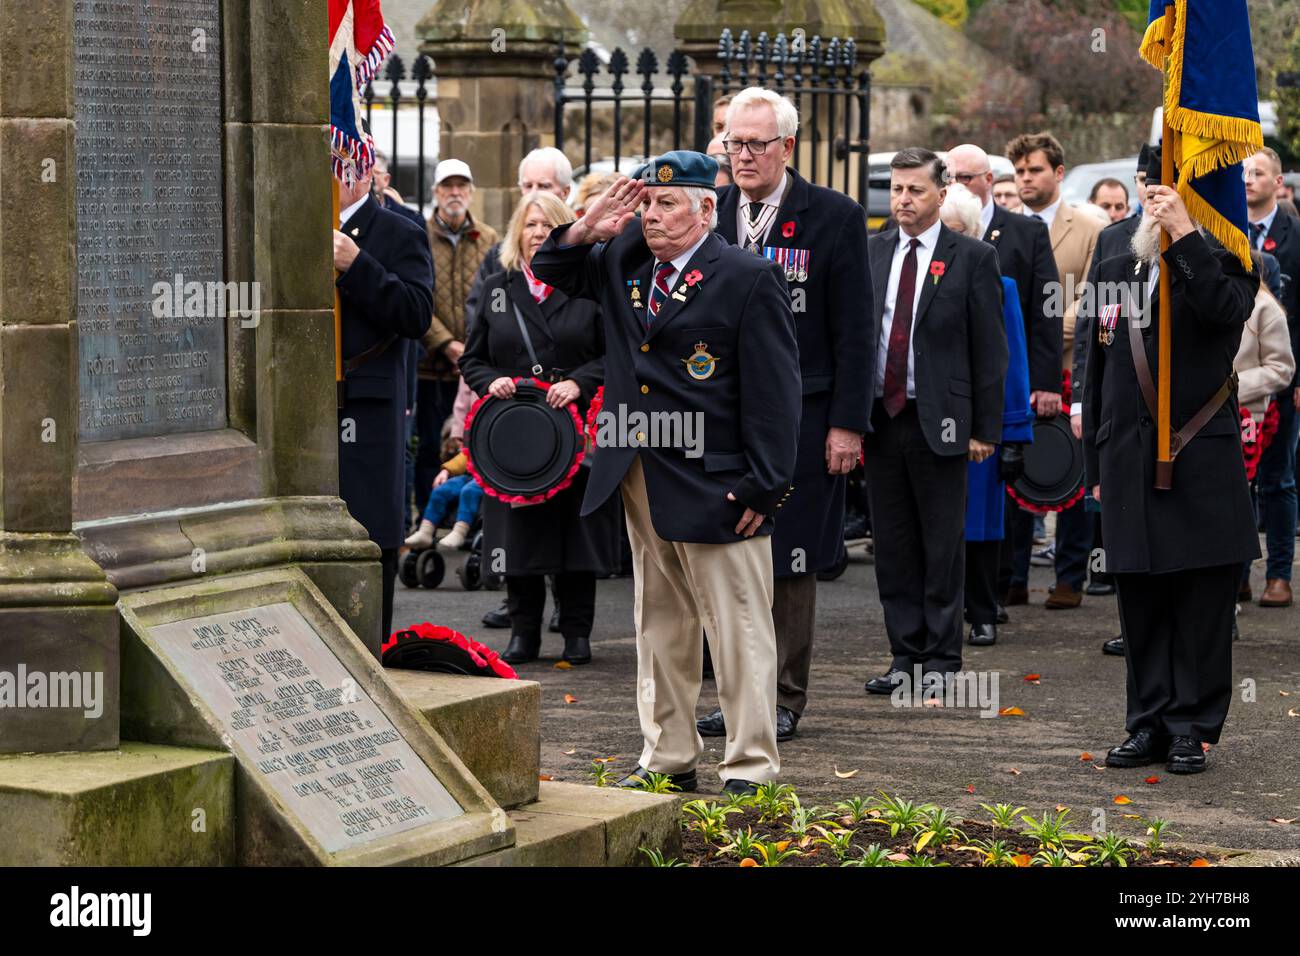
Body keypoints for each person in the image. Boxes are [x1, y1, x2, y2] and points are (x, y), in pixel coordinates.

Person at [531, 151, 801, 795]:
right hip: (640, 470)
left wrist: (765, 483)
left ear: (708, 208)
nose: (651, 215)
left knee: (737, 629)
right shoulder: (624, 260)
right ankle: (668, 756)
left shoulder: (745, 275)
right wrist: (587, 226)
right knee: (659, 626)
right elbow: (549, 268)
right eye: (646, 203)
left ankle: (749, 764)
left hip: (718, 480)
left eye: (667, 202)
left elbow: (775, 391)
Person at [694, 87, 872, 741]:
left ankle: (784, 696)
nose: (742, 155)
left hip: (805, 413)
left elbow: (856, 330)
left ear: (787, 148)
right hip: (725, 416)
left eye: (756, 144)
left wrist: (848, 423)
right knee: (725, 552)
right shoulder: (710, 213)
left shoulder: (832, 216)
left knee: (790, 557)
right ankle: (737, 693)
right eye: (733, 143)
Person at [1082, 170, 1259, 775]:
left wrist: (1185, 235)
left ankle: (1193, 727)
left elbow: (1219, 314)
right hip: (1127, 460)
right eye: (1154, 190)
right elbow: (1096, 369)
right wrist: (1095, 463)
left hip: (1199, 458)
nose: (1159, 202)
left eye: (1174, 194)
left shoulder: (1231, 265)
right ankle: (1148, 723)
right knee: (1141, 600)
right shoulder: (1114, 266)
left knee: (1202, 602)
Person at [863, 148, 1006, 694]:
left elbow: (989, 350)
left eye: (915, 190)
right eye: (897, 189)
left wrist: (983, 429)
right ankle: (905, 654)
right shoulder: (872, 250)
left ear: (941, 195)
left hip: (941, 418)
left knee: (941, 542)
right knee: (894, 544)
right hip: (882, 417)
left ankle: (943, 658)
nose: (903, 200)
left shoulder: (970, 257)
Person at [459, 191, 618, 666]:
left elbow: (615, 356)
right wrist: (493, 381)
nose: (538, 234)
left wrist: (579, 382)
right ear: (516, 233)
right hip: (516, 434)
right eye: (530, 226)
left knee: (574, 533)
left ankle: (576, 633)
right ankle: (523, 633)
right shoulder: (496, 288)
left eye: (549, 226)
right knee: (518, 535)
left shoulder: (590, 287)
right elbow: (472, 360)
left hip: (574, 432)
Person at [946, 144, 1059, 620]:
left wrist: (1045, 382)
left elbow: (1044, 310)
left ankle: (1000, 590)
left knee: (999, 505)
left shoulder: (1024, 231)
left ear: (988, 179)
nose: (956, 183)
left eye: (965, 176)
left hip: (1002, 386)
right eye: (947, 175)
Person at [333, 166, 435, 651]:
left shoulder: (398, 232)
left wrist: (358, 265)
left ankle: (372, 649)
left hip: (367, 403)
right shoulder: (289, 219)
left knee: (371, 528)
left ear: (357, 171)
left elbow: (416, 313)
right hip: (301, 402)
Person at [1006, 132, 1100, 611]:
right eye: (1019, 171)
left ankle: (1069, 577)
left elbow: (1091, 302)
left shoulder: (1088, 227)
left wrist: (1033, 333)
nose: (1025, 179)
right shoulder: (1001, 228)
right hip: (1014, 377)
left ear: (1058, 173)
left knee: (1072, 475)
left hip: (1068, 370)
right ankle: (1014, 576)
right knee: (1018, 474)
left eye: (1034, 170)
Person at [939, 184, 1032, 646]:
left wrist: (1012, 431)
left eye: (955, 231)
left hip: (980, 425)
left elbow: (1010, 359)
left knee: (980, 524)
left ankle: (982, 609)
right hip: (928, 420)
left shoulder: (1000, 282)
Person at [418, 159, 499, 518]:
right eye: (447, 187)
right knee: (428, 446)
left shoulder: (489, 238)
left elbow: (496, 298)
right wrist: (446, 343)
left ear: (471, 193)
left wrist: (474, 349)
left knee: (476, 445)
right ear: (435, 193)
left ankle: (468, 520)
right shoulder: (418, 235)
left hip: (477, 367)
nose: (455, 193)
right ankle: (427, 514)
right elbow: (416, 299)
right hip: (431, 365)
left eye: (461, 187)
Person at [1244, 147, 1300, 608]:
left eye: (1257, 172)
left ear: (1278, 182)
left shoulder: (1294, 236)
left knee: (1276, 479)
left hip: (1282, 379)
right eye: (1242, 171)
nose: (1247, 179)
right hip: (1234, 385)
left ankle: (1278, 574)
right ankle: (1237, 570)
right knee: (1235, 481)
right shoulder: (1223, 230)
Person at [465, 147, 574, 323]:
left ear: (565, 192)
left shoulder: (583, 253)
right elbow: (479, 317)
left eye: (544, 186)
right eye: (528, 185)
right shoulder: (499, 257)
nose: (534, 193)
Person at [404, 445, 485, 551]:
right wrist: (446, 470)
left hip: (490, 479)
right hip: (472, 474)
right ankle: (425, 532)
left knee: (469, 491)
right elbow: (466, 455)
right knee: (441, 491)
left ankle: (460, 532)